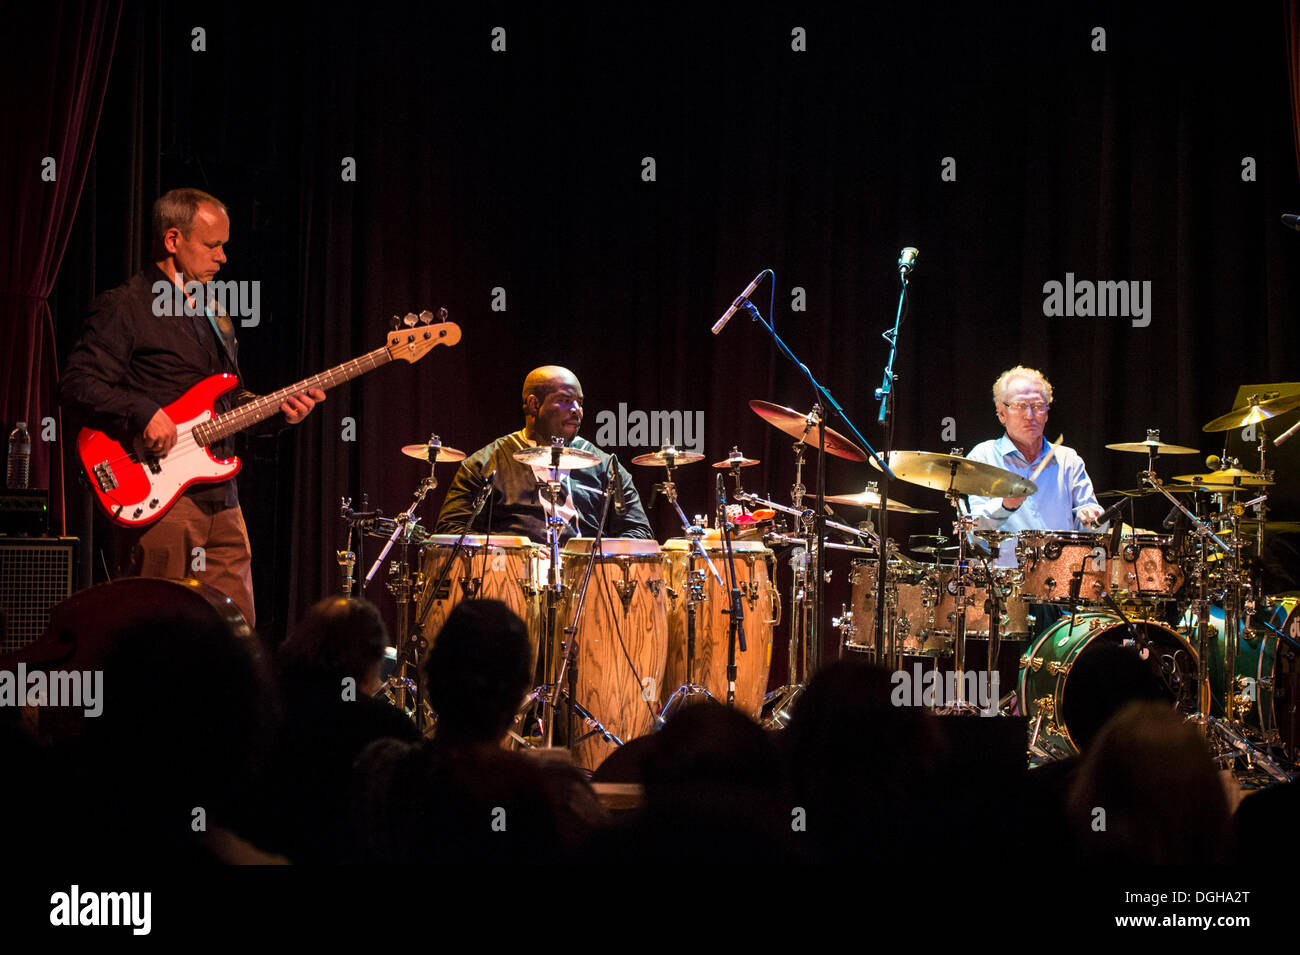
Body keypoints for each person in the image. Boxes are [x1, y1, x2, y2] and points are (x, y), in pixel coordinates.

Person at [60, 188, 324, 627]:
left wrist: (279, 412)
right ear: (172, 240)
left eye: (225, 245)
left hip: (222, 498)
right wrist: (143, 411)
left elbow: (229, 402)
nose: (223, 257)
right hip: (157, 493)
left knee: (235, 637)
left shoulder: (216, 314)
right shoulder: (125, 306)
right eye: (212, 245)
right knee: (153, 632)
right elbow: (77, 383)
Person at [435, 365, 652, 543]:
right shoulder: (485, 464)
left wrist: (589, 557)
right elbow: (451, 530)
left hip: (589, 583)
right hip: (509, 584)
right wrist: (517, 554)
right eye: (566, 401)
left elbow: (639, 534)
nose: (576, 409)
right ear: (534, 404)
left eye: (580, 402)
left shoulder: (606, 468)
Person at [966, 365, 1105, 566]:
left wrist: (1094, 518)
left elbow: (1092, 526)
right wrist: (1004, 506)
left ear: (1047, 413)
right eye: (1020, 406)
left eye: (1038, 406)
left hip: (1061, 581)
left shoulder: (1069, 460)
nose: (1030, 415)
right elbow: (975, 534)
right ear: (1001, 413)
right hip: (1002, 584)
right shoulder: (983, 457)